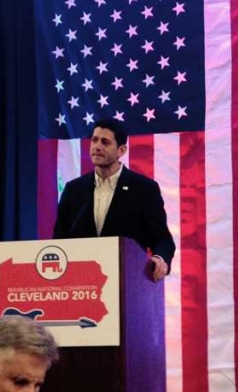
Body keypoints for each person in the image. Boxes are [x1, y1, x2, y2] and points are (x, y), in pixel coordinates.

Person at [53, 118, 175, 282]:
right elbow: (59, 241)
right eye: (94, 140)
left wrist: (160, 259)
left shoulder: (144, 189)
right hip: (80, 285)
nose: (97, 146)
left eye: (105, 142)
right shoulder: (74, 190)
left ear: (121, 150)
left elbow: (162, 239)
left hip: (127, 281)